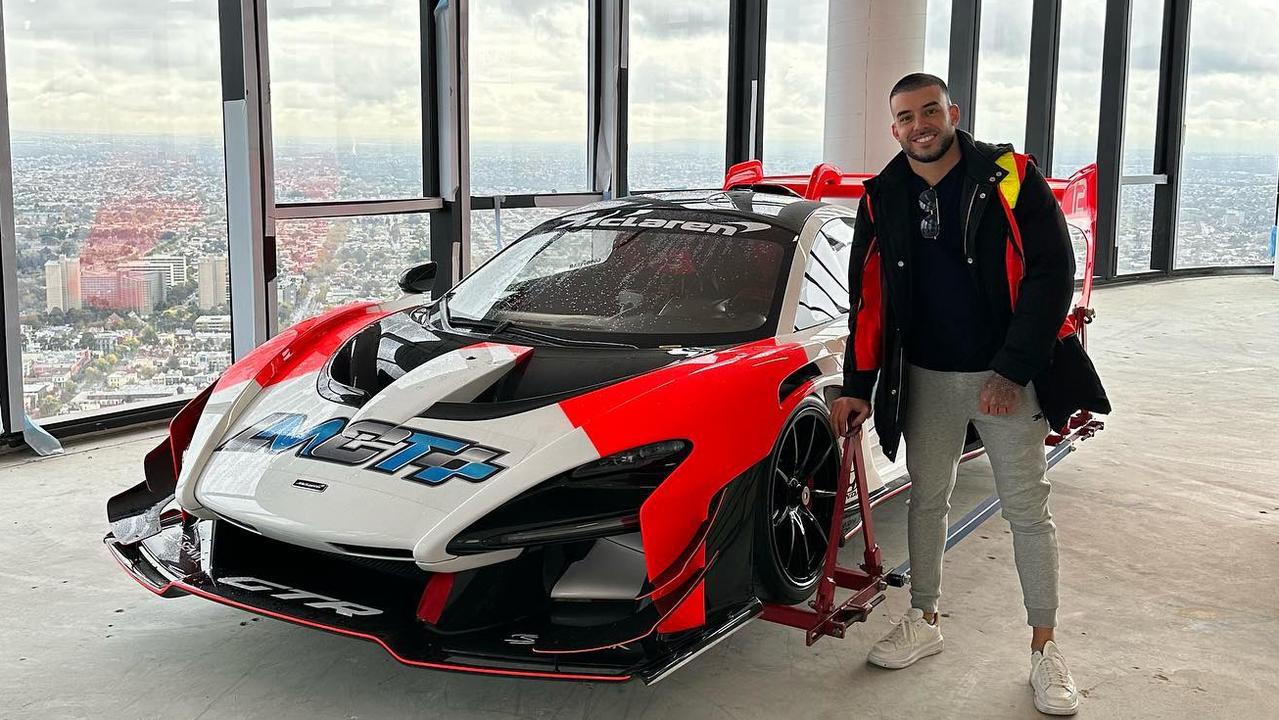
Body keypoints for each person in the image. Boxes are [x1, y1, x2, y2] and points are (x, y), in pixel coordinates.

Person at [829, 73, 1080, 716]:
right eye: (905, 116)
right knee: (926, 503)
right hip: (926, 378)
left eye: (929, 110)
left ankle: (1045, 650)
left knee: (1028, 511)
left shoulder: (1009, 175)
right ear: (894, 128)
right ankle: (925, 619)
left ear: (952, 112)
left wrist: (1013, 369)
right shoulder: (881, 194)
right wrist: (860, 386)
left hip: (1005, 378)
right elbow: (870, 298)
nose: (919, 124)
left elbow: (1053, 274)